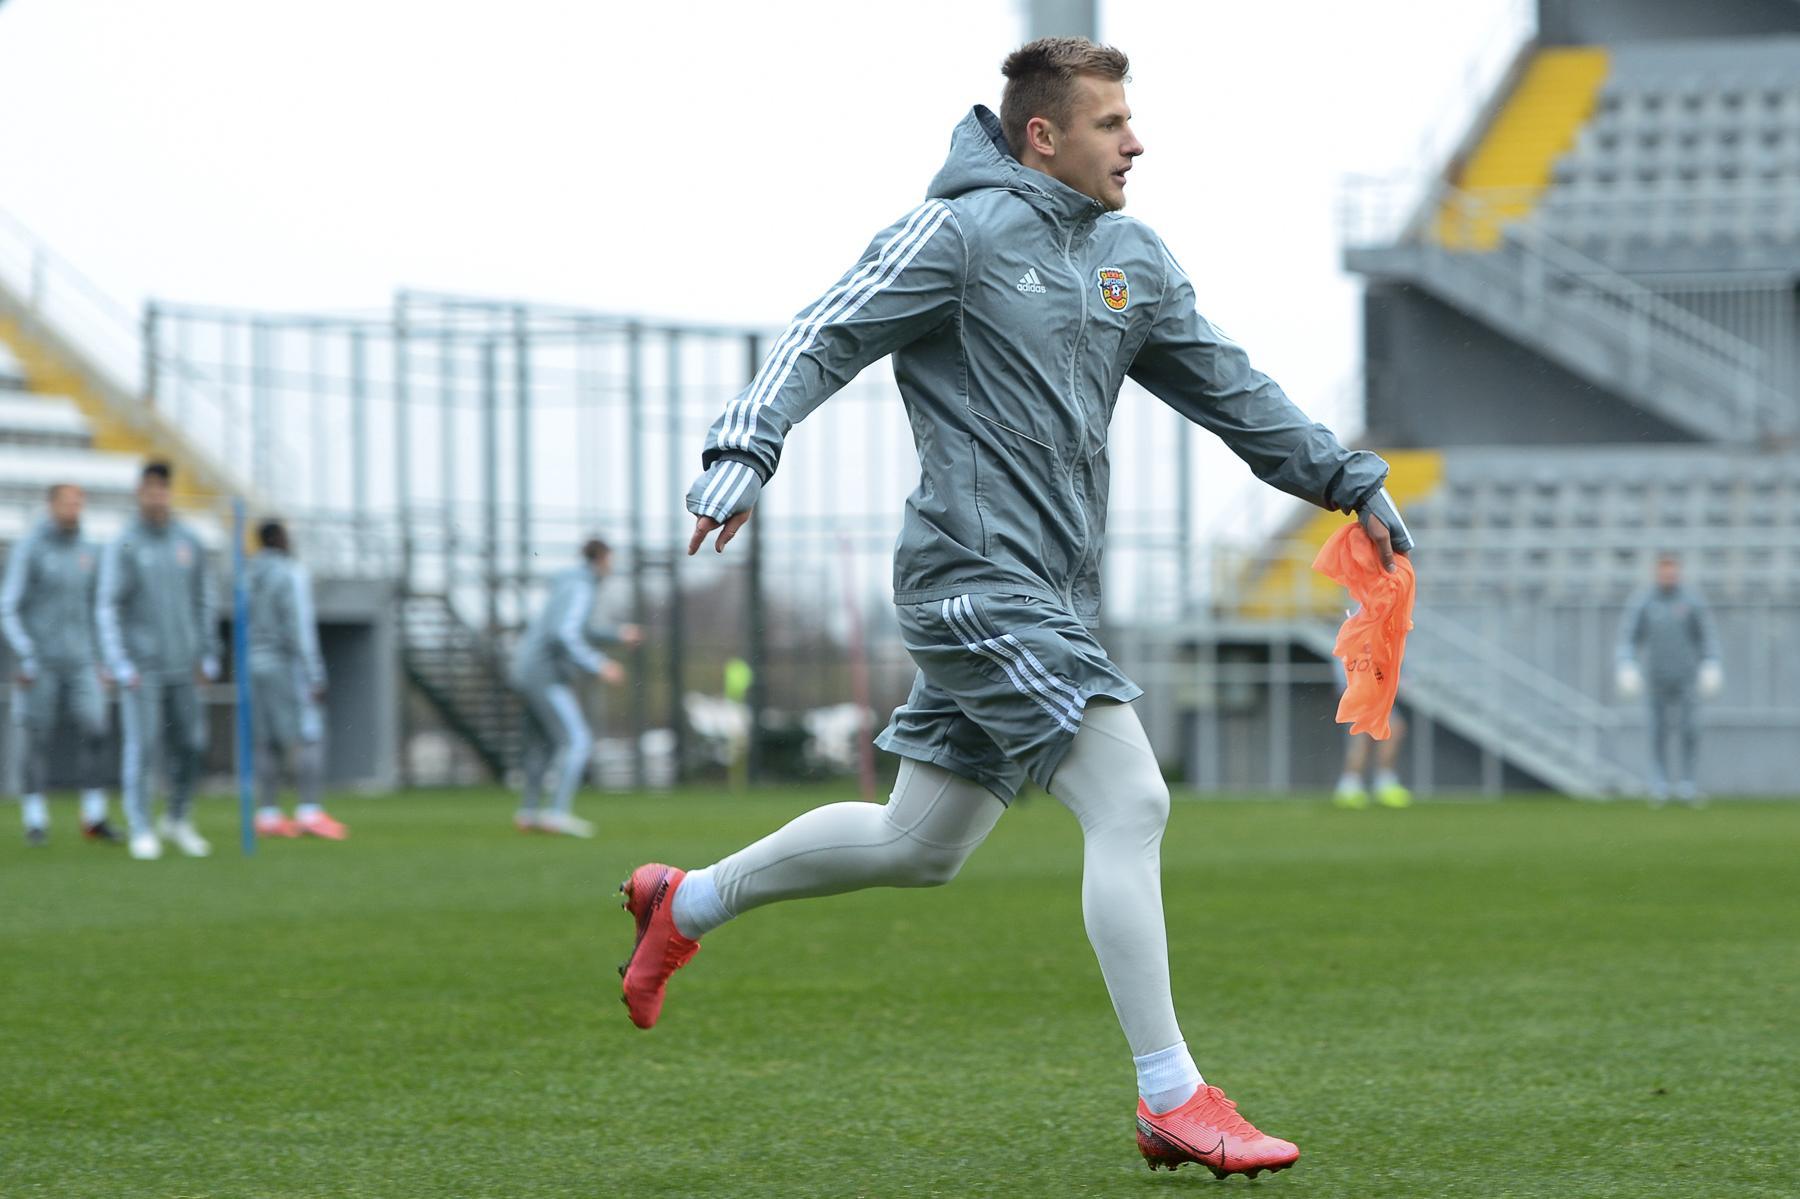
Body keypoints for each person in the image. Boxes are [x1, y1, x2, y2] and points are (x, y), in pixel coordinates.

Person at [616, 38, 1413, 1179]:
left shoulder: (1134, 257)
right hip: (971, 583)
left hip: (1050, 597)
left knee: (919, 842)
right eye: (1111, 123)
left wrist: (1345, 479)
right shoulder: (956, 233)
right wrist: (747, 444)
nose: (1136, 142)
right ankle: (1172, 1095)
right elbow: (825, 329)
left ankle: (683, 902)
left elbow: (1230, 388)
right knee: (1131, 796)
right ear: (1044, 135)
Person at [97, 461, 221, 860]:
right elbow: (108, 605)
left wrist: (208, 652)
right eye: (150, 489)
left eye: (163, 489)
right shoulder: (125, 543)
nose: (157, 496)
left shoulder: (188, 540)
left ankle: (178, 818)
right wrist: (119, 660)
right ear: (140, 493)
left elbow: (204, 598)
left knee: (193, 744)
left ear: (169, 492)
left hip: (184, 664)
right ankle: (141, 826)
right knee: (144, 747)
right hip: (142, 669)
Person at [1, 483, 120, 846]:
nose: (74, 508)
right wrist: (26, 653)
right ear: (51, 505)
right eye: (68, 502)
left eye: (79, 502)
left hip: (82, 659)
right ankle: (35, 819)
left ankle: (94, 816)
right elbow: (8, 606)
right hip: (41, 663)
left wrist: (103, 658)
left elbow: (97, 608)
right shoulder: (31, 548)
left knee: (96, 729)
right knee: (36, 738)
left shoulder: (89, 549)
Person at [508, 538, 640, 838]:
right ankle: (556, 814)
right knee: (577, 740)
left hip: (526, 670)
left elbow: (580, 628)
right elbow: (565, 633)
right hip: (545, 675)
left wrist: (618, 635)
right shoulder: (581, 586)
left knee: (541, 744)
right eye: (611, 559)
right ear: (601, 558)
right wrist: (599, 664)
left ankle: (528, 813)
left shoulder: (569, 583)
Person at [246, 520, 347, 840]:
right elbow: (299, 626)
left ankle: (268, 815)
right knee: (310, 734)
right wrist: (314, 673)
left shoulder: (247, 574)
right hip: (286, 664)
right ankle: (309, 812)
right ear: (279, 538)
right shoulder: (291, 573)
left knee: (266, 741)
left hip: (253, 663)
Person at [1616, 552, 1721, 805]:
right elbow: (1629, 637)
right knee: (1657, 732)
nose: (1668, 576)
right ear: (1657, 573)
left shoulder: (1691, 601)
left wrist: (1711, 662)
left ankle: (1687, 783)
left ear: (1678, 573)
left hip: (1686, 677)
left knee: (1690, 729)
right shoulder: (1645, 602)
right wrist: (1626, 663)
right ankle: (1659, 783)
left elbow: (1706, 635)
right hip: (1656, 678)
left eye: (1672, 571)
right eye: (1664, 571)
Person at [1330, 657, 1413, 808]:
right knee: (1361, 738)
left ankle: (1384, 781)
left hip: (1378, 698)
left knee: (1392, 730)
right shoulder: (1355, 648)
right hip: (1360, 697)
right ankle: (1350, 784)